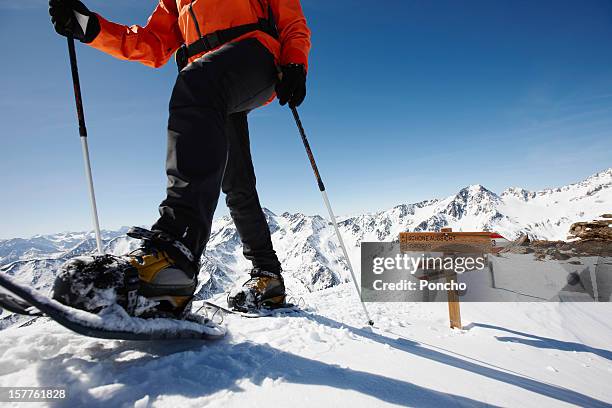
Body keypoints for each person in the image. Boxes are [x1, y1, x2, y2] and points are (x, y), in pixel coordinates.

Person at [48, 0, 311, 315]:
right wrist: (92, 28)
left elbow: (290, 17)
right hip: (210, 79)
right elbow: (154, 44)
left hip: (256, 56)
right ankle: (268, 278)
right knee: (236, 181)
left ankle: (176, 256)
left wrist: (295, 60)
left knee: (197, 81)